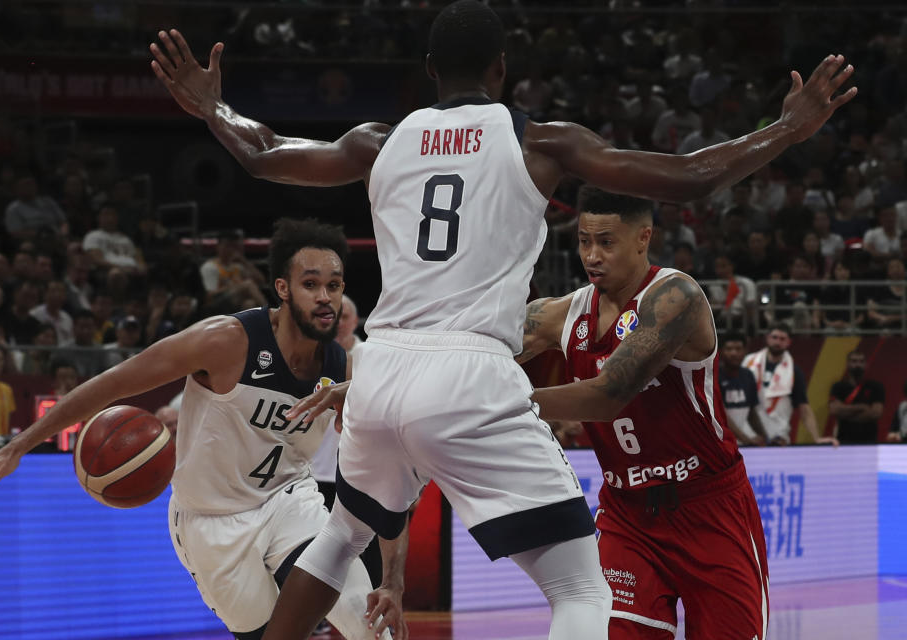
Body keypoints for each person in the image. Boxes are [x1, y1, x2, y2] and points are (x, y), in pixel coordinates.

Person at [148, 2, 855, 637]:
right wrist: (787, 129)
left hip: (382, 362)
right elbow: (692, 173)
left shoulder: (378, 141)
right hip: (469, 368)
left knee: (340, 535)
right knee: (581, 589)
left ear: (428, 70)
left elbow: (268, 154)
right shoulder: (540, 142)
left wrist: (214, 109)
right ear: (501, 69)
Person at [0, 218, 406, 640]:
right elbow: (113, 383)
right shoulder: (225, 342)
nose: (325, 296)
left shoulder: (340, 366)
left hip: (290, 501)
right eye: (311, 285)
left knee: (367, 621)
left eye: (334, 285)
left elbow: (384, 475)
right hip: (211, 521)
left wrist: (393, 579)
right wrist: (21, 444)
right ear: (283, 289)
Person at [510, 191, 770, 639]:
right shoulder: (560, 314)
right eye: (584, 241)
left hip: (708, 507)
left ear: (642, 238)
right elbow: (468, 354)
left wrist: (505, 401)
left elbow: (612, 393)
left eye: (606, 242)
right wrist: (367, 390)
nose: (592, 256)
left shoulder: (677, 297)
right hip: (627, 515)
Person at [743, 324, 839, 446]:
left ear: (789, 342)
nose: (777, 342)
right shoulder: (748, 362)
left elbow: (804, 407)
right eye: (775, 337)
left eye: (782, 339)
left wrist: (816, 438)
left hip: (778, 435)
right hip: (750, 434)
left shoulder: (793, 371)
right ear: (767, 338)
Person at [718, 333, 768, 446]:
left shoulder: (748, 375)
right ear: (720, 351)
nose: (734, 353)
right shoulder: (713, 376)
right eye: (729, 349)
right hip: (717, 441)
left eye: (738, 349)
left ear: (745, 351)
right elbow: (720, 415)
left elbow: (751, 412)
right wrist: (747, 440)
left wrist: (765, 437)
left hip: (737, 441)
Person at [828, 350, 885, 444]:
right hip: (844, 440)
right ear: (847, 364)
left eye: (861, 361)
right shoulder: (838, 387)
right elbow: (834, 410)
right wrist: (862, 408)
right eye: (854, 361)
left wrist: (845, 413)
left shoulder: (876, 387)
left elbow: (876, 413)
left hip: (869, 441)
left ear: (865, 364)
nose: (858, 364)